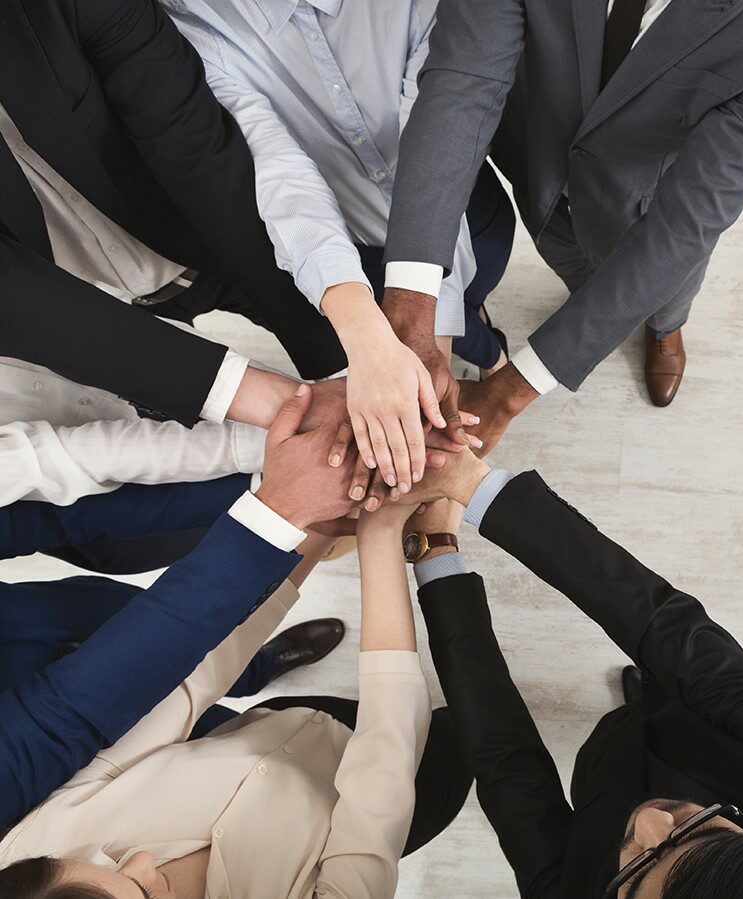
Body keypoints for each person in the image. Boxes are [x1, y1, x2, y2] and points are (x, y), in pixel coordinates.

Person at [0, 0, 463, 473]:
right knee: (188, 521)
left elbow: (197, 151)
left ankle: (478, 337)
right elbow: (16, 295)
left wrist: (350, 352)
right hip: (71, 314)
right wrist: (288, 404)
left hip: (198, 243)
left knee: (425, 326)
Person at [393, 451, 743, 895]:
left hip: (600, 778)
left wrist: (435, 553)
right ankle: (651, 698)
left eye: (638, 866)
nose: (649, 822)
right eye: (702, 830)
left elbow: (508, 765)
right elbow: (662, 622)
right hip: (705, 720)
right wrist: (473, 485)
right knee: (673, 675)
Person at [381, 0, 743, 443]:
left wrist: (508, 396)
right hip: (540, 154)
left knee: (666, 290)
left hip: (652, 197)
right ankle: (594, 298)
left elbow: (686, 225)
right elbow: (463, 82)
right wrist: (408, 310)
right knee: (571, 263)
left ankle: (664, 330)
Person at [0, 495, 472, 898]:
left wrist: (317, 530)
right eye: (142, 891)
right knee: (472, 738)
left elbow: (191, 683)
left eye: (105, 864)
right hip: (416, 786)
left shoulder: (30, 847)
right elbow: (387, 760)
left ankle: (268, 664)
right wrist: (383, 538)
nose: (141, 860)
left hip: (291, 724)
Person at [162, 0, 514, 491]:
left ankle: (481, 336)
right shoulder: (194, 21)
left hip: (469, 212)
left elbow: (442, 126)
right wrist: (373, 335)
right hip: (350, 247)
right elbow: (278, 169)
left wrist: (423, 323)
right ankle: (489, 348)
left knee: (470, 294)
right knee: (458, 324)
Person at [0, 384, 364, 830]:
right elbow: (62, 721)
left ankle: (259, 665)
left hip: (51, 614)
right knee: (221, 737)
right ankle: (250, 683)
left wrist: (264, 484)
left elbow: (41, 517)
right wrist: (278, 514)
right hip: (87, 754)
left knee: (175, 625)